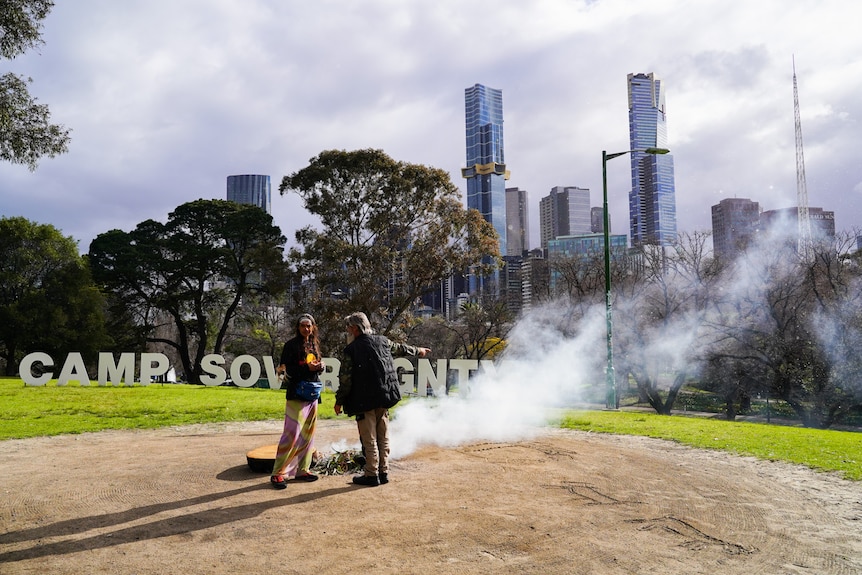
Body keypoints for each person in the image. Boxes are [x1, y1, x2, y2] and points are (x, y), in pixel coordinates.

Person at [334, 312, 430, 487]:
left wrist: (339, 401)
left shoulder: (351, 350)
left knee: (368, 437)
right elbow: (401, 348)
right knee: (383, 435)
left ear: (355, 328)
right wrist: (419, 351)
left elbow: (345, 380)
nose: (347, 331)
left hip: (363, 400)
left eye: (348, 328)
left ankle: (371, 474)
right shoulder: (383, 341)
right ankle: (383, 472)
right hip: (384, 396)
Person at [270, 313, 325, 489]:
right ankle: (278, 473)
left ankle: (303, 469)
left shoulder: (314, 344)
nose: (306, 329)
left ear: (313, 327)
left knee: (308, 433)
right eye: (303, 325)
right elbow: (283, 372)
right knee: (292, 433)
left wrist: (320, 367)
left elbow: (314, 368)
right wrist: (305, 368)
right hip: (296, 394)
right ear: (298, 327)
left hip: (313, 395)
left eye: (309, 326)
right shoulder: (290, 346)